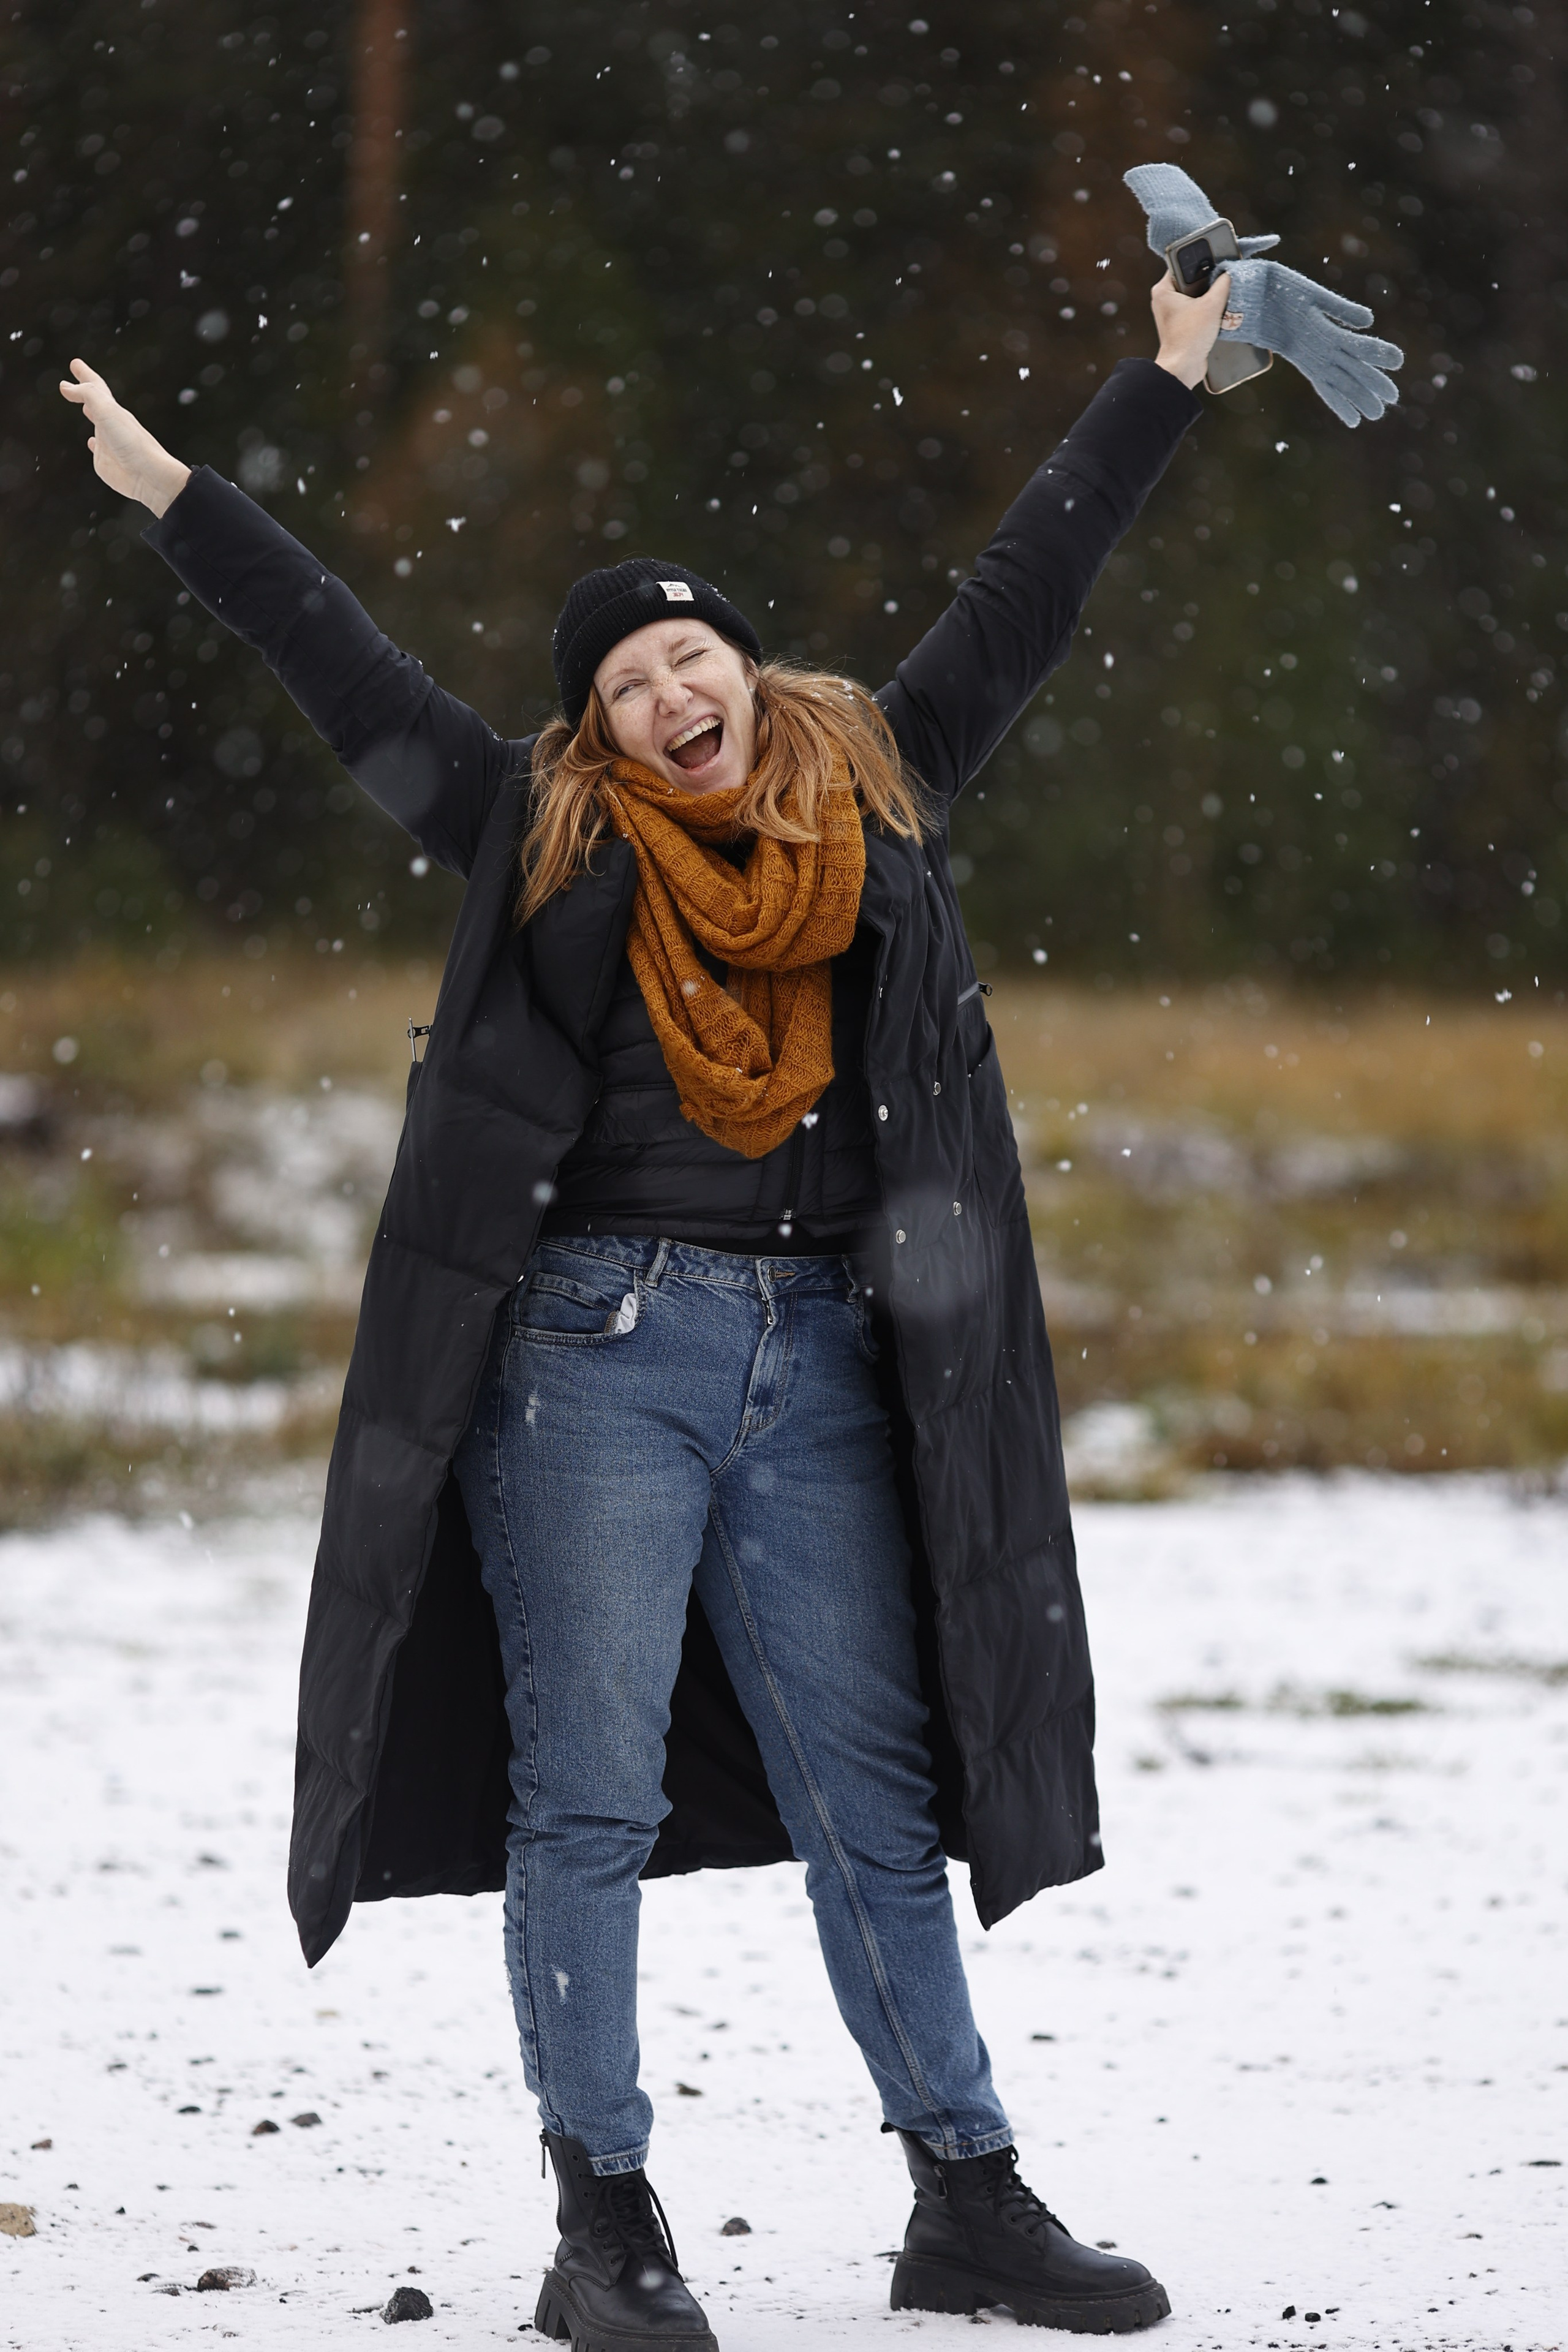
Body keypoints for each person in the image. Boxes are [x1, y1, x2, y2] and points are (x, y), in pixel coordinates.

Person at [60, 260, 1231, 2345]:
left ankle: (964, 2194)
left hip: (829, 1360)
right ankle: (606, 2227)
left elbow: (1029, 585)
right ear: (592, 732)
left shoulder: (876, 783)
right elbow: (345, 671)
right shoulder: (537, 832)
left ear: (747, 670)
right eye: (628, 686)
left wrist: (1161, 380)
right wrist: (177, 496)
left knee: (877, 1786)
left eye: (691, 656)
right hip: (597, 1354)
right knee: (581, 1790)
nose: (672, 697)